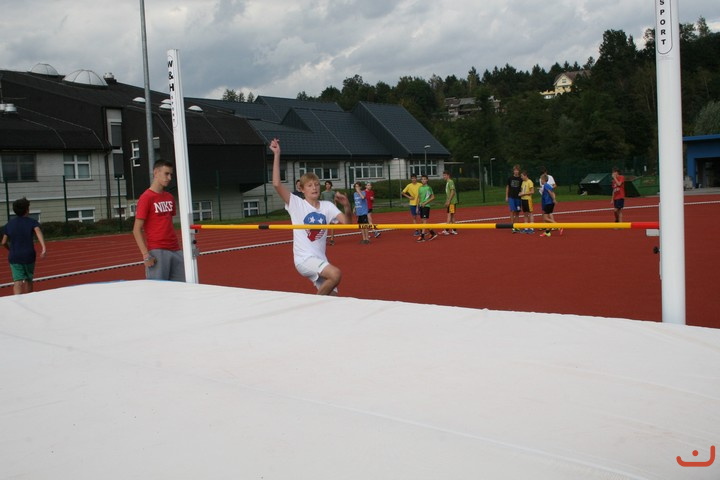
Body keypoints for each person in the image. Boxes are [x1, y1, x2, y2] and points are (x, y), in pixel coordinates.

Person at [271, 138, 352, 295]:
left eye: (316, 184)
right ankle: (312, 303)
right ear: (302, 189)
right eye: (309, 185)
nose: (314, 188)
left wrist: (347, 207)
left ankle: (316, 307)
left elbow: (348, 224)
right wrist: (277, 154)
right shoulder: (296, 203)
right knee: (335, 274)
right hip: (304, 259)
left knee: (332, 296)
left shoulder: (328, 206)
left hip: (319, 259)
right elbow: (276, 184)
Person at [133, 159, 185, 282]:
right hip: (157, 251)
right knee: (159, 289)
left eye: (171, 174)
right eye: (166, 174)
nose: (169, 178)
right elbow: (136, 229)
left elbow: (167, 223)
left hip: (175, 249)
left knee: (181, 287)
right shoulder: (146, 198)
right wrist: (146, 255)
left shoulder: (169, 197)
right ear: (156, 173)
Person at [1, 197, 47, 295]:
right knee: (28, 280)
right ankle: (28, 299)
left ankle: (17, 300)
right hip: (28, 255)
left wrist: (10, 249)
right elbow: (38, 231)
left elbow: (3, 242)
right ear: (27, 210)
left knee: (17, 281)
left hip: (14, 256)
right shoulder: (32, 222)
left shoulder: (9, 224)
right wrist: (43, 248)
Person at [416, 175, 438, 242]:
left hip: (426, 206)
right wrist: (417, 207)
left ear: (427, 180)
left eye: (424, 179)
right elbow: (419, 198)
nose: (423, 180)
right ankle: (432, 233)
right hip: (421, 206)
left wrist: (425, 203)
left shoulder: (428, 188)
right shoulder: (420, 188)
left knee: (424, 221)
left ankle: (422, 236)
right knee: (423, 221)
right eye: (422, 179)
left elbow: (433, 197)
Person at [505, 165, 523, 233]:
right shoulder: (510, 178)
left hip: (518, 197)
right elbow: (507, 187)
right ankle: (512, 226)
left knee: (517, 212)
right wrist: (506, 196)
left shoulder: (521, 179)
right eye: (515, 170)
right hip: (511, 197)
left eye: (517, 170)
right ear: (513, 171)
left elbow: (522, 188)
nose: (516, 171)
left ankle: (517, 226)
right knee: (512, 210)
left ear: (519, 171)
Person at [320, 181, 337, 245]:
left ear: (331, 185)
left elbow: (335, 201)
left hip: (332, 210)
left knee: (332, 225)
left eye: (328, 184)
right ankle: (324, 239)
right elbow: (321, 202)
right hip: (325, 211)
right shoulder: (323, 193)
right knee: (324, 225)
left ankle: (332, 239)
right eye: (326, 184)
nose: (327, 185)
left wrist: (335, 209)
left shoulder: (333, 192)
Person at [442, 170, 458, 235]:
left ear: (448, 175)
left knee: (449, 215)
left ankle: (446, 230)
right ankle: (454, 230)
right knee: (451, 215)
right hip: (451, 202)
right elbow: (448, 193)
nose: (443, 176)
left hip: (452, 202)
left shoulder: (450, 182)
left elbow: (452, 192)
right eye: (443, 175)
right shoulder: (448, 182)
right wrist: (447, 201)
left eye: (445, 175)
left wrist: (448, 201)